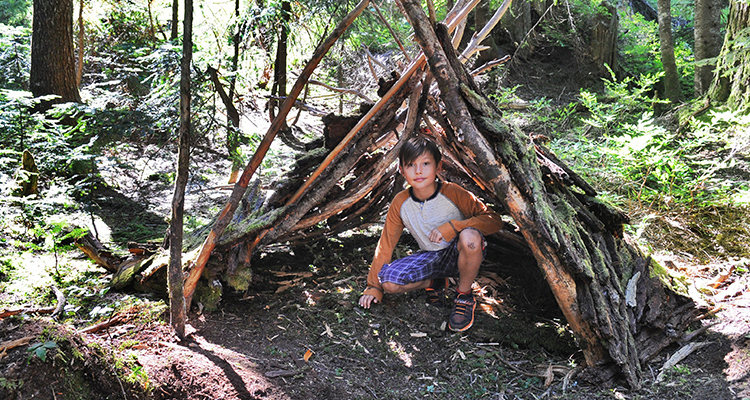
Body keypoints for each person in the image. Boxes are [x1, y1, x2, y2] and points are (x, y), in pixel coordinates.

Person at [358, 136, 504, 331]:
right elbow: (386, 244)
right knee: (389, 283)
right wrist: (373, 286)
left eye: (426, 163)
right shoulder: (400, 202)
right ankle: (434, 282)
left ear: (438, 167)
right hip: (430, 257)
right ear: (401, 170)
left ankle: (463, 296)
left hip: (459, 253)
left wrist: (453, 227)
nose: (418, 171)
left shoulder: (453, 193)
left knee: (470, 237)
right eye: (411, 165)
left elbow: (493, 220)